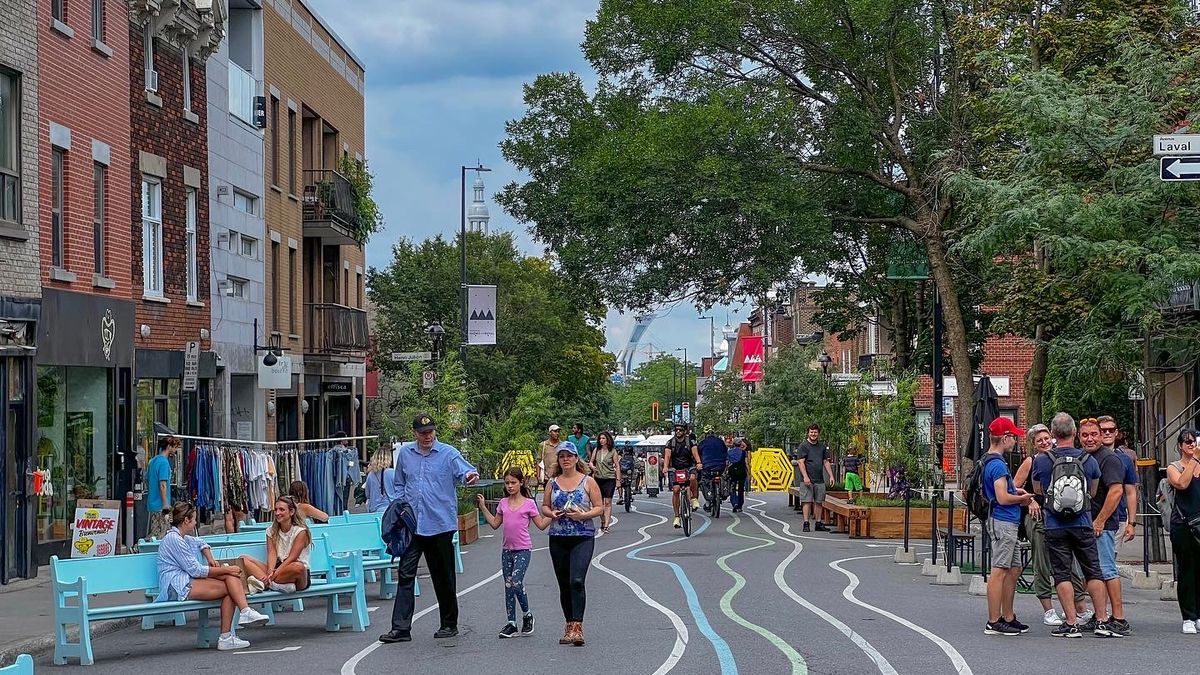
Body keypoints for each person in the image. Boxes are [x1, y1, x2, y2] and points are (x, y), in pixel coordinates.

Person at [380, 413, 480, 644]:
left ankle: (448, 623)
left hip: (439, 524)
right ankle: (401, 628)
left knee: (443, 575)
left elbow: (466, 472)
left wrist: (469, 476)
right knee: (405, 574)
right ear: (414, 433)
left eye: (431, 432)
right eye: (423, 433)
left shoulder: (448, 453)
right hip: (412, 525)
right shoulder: (405, 454)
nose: (427, 436)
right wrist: (400, 505)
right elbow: (399, 483)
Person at [1032, 412, 1112, 638]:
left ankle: (1071, 622)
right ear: (1075, 433)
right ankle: (1102, 620)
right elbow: (1093, 491)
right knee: (1093, 571)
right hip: (1083, 522)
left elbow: (1038, 490)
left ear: (1053, 433)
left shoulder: (1043, 460)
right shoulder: (1089, 460)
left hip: (1054, 524)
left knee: (1062, 574)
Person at [154, 501, 270, 651]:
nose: (196, 523)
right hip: (176, 586)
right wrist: (226, 570)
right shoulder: (174, 539)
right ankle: (234, 626)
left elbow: (201, 542)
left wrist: (210, 559)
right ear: (186, 520)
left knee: (231, 583)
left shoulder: (183, 537)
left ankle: (238, 622)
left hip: (186, 581)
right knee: (231, 582)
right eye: (194, 519)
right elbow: (195, 571)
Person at [1013, 424, 1092, 627]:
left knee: (1070, 564)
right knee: (1042, 562)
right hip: (1038, 517)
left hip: (1060, 516)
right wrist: (1030, 500)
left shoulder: (1058, 458)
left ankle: (1079, 607)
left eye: (1047, 438)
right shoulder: (1031, 461)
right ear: (1033, 444)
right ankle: (1048, 609)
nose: (1045, 442)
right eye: (1039, 440)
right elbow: (1014, 487)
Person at [477, 467, 552, 638]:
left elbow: (540, 524)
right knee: (508, 586)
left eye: (513, 482)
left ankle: (527, 614)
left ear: (521, 482)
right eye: (507, 483)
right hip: (507, 550)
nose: (510, 486)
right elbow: (495, 524)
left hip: (523, 549)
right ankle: (511, 622)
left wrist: (554, 514)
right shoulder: (503, 503)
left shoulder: (529, 503)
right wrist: (483, 507)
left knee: (516, 582)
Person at [541, 442, 602, 646]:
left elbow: (599, 508)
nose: (565, 459)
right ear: (558, 460)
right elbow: (545, 507)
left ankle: (578, 627)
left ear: (577, 458)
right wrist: (552, 513)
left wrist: (583, 515)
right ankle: (568, 624)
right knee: (564, 583)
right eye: (561, 456)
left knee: (576, 580)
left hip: (582, 536)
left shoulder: (588, 482)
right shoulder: (552, 482)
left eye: (569, 455)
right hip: (558, 537)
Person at [980, 417, 1036, 635]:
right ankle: (994, 620)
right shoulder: (997, 464)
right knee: (1000, 570)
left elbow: (1004, 491)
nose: (1015, 440)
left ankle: (1008, 616)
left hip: (1004, 520)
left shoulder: (988, 460)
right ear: (1005, 438)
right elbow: (1002, 497)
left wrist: (1016, 490)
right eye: (1013, 436)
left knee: (1013, 569)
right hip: (1003, 520)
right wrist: (1022, 499)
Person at [1080, 416, 1132, 637]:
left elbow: (1117, 491)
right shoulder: (1083, 457)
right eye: (1085, 435)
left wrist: (1100, 520)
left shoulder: (1109, 459)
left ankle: (1119, 618)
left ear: (1102, 436)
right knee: (1094, 572)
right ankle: (1100, 615)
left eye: (1094, 434)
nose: (1090, 438)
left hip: (1104, 525)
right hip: (1087, 524)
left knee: (1107, 569)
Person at [240, 496, 313, 594]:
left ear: (291, 512)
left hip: (296, 573)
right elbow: (272, 553)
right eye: (276, 510)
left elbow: (292, 558)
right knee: (243, 559)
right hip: (277, 569)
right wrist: (270, 571)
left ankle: (266, 583)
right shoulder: (271, 531)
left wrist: (274, 574)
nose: (277, 513)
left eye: (282, 510)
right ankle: (273, 585)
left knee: (298, 567)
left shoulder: (300, 531)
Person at [1167, 428, 1200, 633]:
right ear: (1180, 445)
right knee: (1187, 569)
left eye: (1194, 441)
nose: (1191, 445)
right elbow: (1182, 483)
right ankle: (1188, 616)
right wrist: (1194, 460)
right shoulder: (1175, 467)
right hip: (1184, 524)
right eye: (1186, 442)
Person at [794, 424, 833, 532]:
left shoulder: (822, 446)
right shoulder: (803, 446)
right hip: (807, 479)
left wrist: (831, 476)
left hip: (819, 478)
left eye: (815, 432)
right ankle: (806, 523)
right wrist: (806, 477)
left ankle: (818, 523)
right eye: (811, 432)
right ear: (808, 433)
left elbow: (825, 461)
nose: (813, 434)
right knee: (807, 501)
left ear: (818, 434)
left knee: (819, 501)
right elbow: (801, 462)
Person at [663, 423, 701, 528]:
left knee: (693, 478)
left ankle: (694, 498)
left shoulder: (690, 442)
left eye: (680, 430)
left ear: (685, 431)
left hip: (689, 467)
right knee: (676, 490)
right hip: (675, 468)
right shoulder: (670, 443)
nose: (678, 432)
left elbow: (695, 453)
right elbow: (667, 456)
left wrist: (698, 463)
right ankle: (677, 517)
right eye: (676, 430)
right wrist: (665, 467)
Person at [146, 435, 180, 540]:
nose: (176, 450)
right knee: (162, 535)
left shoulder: (153, 461)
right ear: (169, 446)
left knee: (155, 532)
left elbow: (148, 480)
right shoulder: (164, 463)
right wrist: (166, 504)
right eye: (175, 447)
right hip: (161, 505)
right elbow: (163, 485)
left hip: (152, 503)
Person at [588, 431, 620, 532]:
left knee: (608, 502)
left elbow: (617, 465)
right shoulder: (596, 450)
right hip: (598, 478)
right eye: (600, 439)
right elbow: (591, 462)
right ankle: (602, 520)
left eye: (603, 438)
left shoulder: (613, 451)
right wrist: (592, 467)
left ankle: (606, 524)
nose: (602, 440)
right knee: (599, 503)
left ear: (608, 440)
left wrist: (618, 480)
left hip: (609, 478)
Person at [697, 428, 728, 510]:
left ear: (705, 435)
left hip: (707, 466)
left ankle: (707, 502)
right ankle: (722, 493)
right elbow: (726, 451)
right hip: (721, 465)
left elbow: (698, 453)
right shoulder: (720, 442)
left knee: (705, 480)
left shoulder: (703, 443)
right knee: (722, 477)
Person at [365, 446, 397, 513]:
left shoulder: (370, 475)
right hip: (388, 510)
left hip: (373, 509)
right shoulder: (391, 472)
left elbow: (367, 495)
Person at [727, 437, 751, 512]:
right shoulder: (744, 453)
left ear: (733, 444)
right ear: (740, 444)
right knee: (741, 489)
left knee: (732, 488)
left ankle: (734, 503)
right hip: (742, 472)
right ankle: (740, 505)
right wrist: (749, 473)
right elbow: (747, 463)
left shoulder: (729, 452)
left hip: (732, 472)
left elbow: (727, 463)